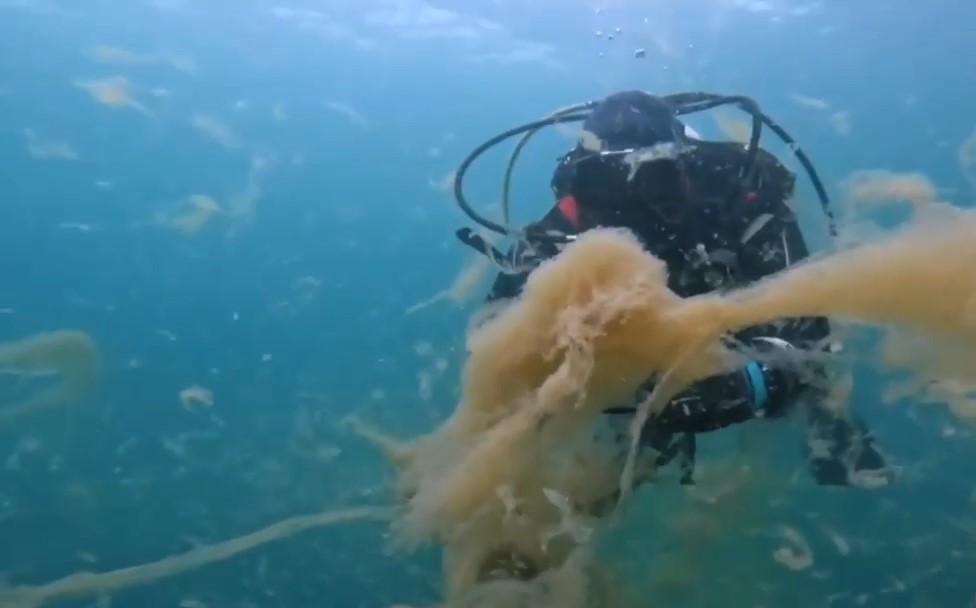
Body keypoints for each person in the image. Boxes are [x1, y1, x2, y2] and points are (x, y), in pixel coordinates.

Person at [455, 90, 888, 490]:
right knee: (614, 458)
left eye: (653, 178)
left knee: (812, 383)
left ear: (684, 170)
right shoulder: (566, 226)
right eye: (606, 184)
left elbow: (813, 335)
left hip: (741, 324)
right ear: (580, 184)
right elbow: (498, 353)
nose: (631, 204)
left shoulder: (739, 200)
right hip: (632, 362)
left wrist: (751, 386)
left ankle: (832, 437)